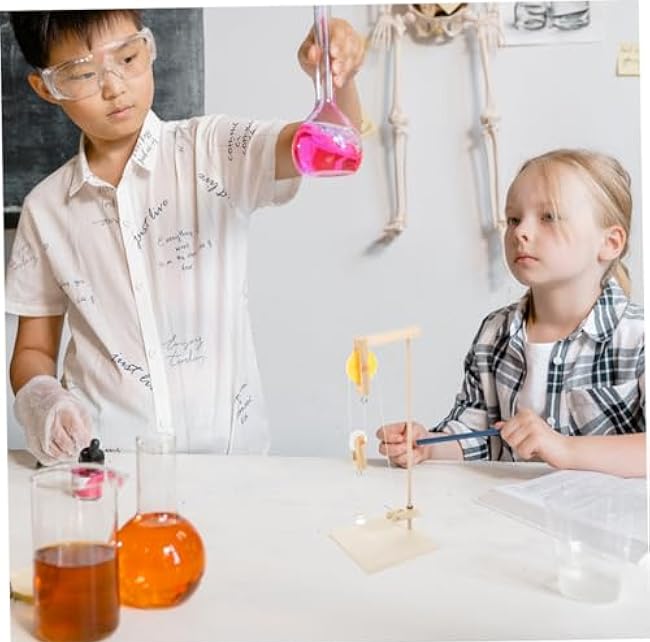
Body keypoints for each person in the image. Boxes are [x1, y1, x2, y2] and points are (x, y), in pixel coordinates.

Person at [6, 9, 365, 464]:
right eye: (82, 74)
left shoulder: (214, 150)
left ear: (149, 47)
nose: (114, 87)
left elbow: (333, 142)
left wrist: (336, 80)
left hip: (229, 467)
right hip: (106, 467)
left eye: (128, 58)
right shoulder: (46, 208)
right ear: (46, 87)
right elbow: (33, 349)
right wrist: (44, 402)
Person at [377, 149, 646, 478]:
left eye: (549, 217)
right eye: (514, 219)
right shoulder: (495, 332)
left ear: (610, 243)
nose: (520, 232)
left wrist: (564, 448)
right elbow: (479, 435)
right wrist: (429, 446)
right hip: (509, 509)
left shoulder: (637, 337)